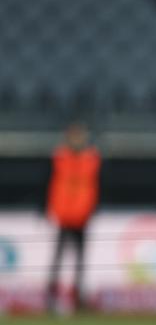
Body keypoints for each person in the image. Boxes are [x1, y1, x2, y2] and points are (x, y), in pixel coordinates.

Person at [45, 121, 101, 313]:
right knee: (58, 260)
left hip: (82, 216)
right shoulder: (59, 158)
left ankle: (78, 299)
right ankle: (51, 298)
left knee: (80, 261)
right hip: (64, 216)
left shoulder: (91, 159)